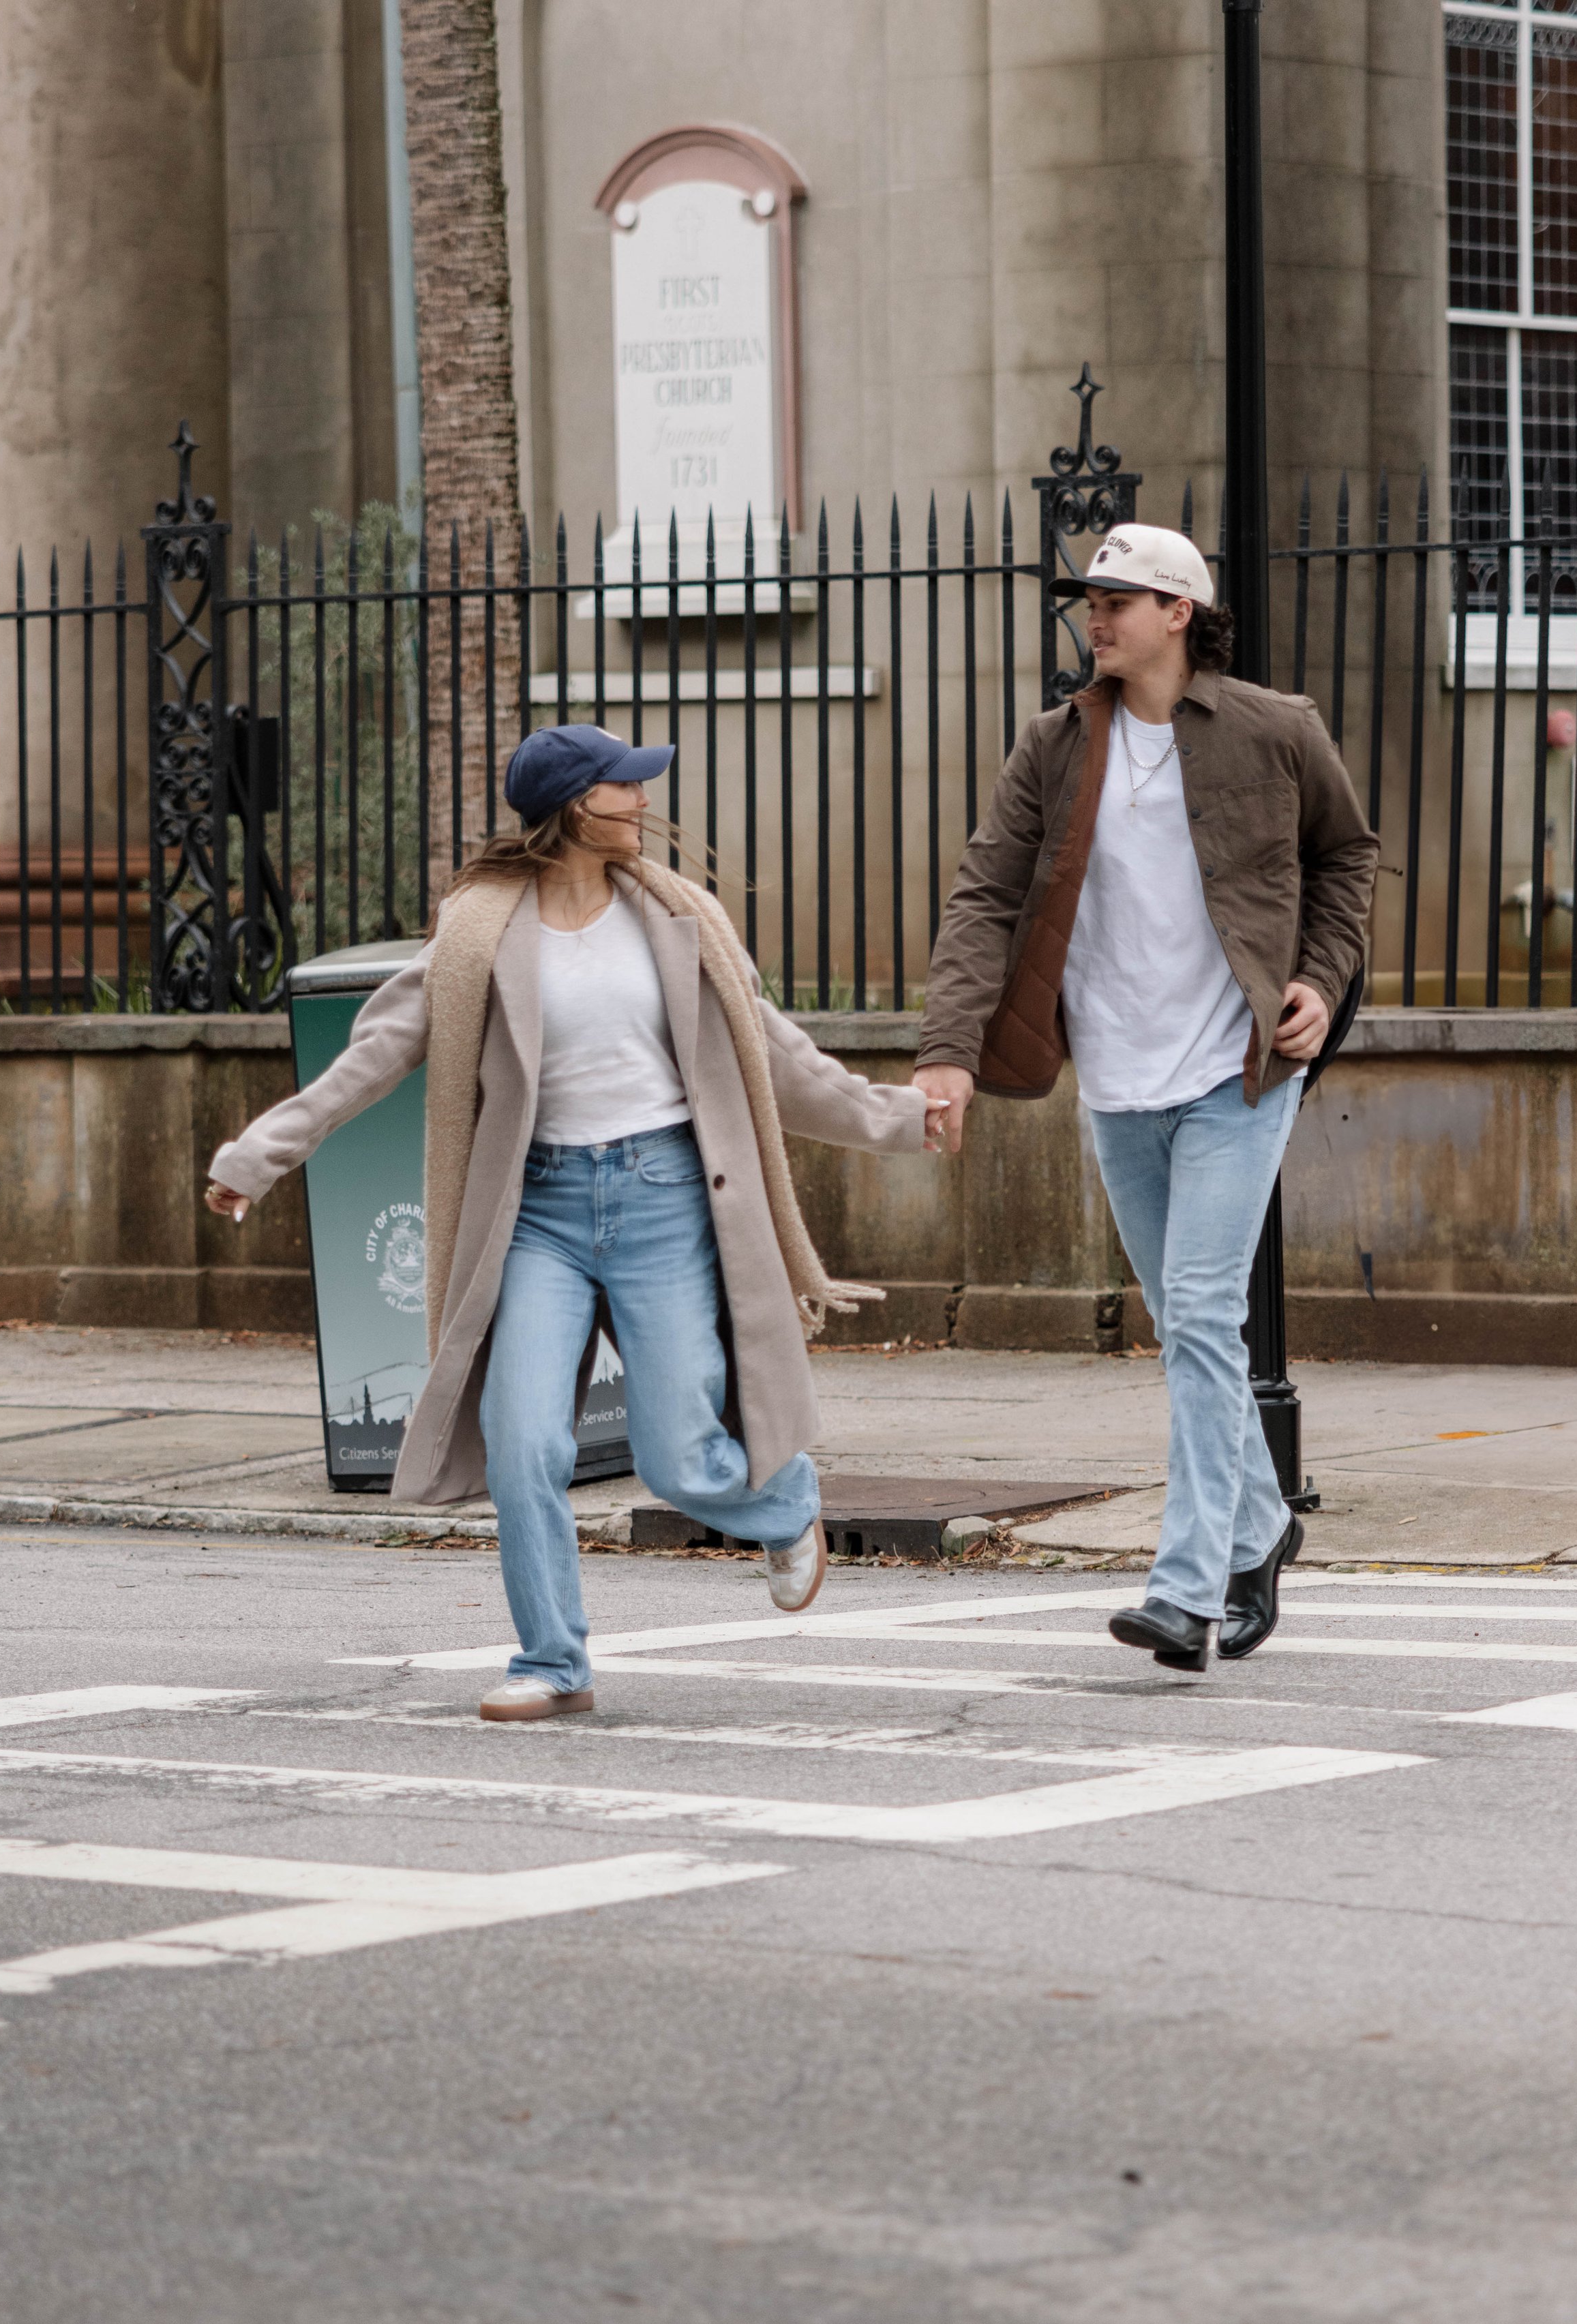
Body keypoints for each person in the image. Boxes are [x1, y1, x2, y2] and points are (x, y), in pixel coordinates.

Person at [207, 725, 948, 1721]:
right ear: (573, 808)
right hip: (539, 1211)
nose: (644, 800)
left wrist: (907, 1118)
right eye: (624, 786)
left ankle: (786, 1505)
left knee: (679, 1455)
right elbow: (370, 1056)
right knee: (523, 1444)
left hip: (664, 1197)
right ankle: (553, 1659)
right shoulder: (476, 935)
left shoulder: (681, 918)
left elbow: (781, 1061)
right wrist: (257, 1155)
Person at [914, 524, 1377, 1673]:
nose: (1095, 613)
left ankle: (1188, 1589)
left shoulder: (1277, 731)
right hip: (1119, 1076)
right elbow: (985, 895)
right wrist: (948, 1047)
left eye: (1117, 596)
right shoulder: (1056, 747)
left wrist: (1320, 979)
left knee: (1206, 1314)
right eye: (1091, 596)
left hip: (1238, 1067)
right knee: (1187, 1331)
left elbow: (1347, 857)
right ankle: (1264, 1525)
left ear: (1179, 611)